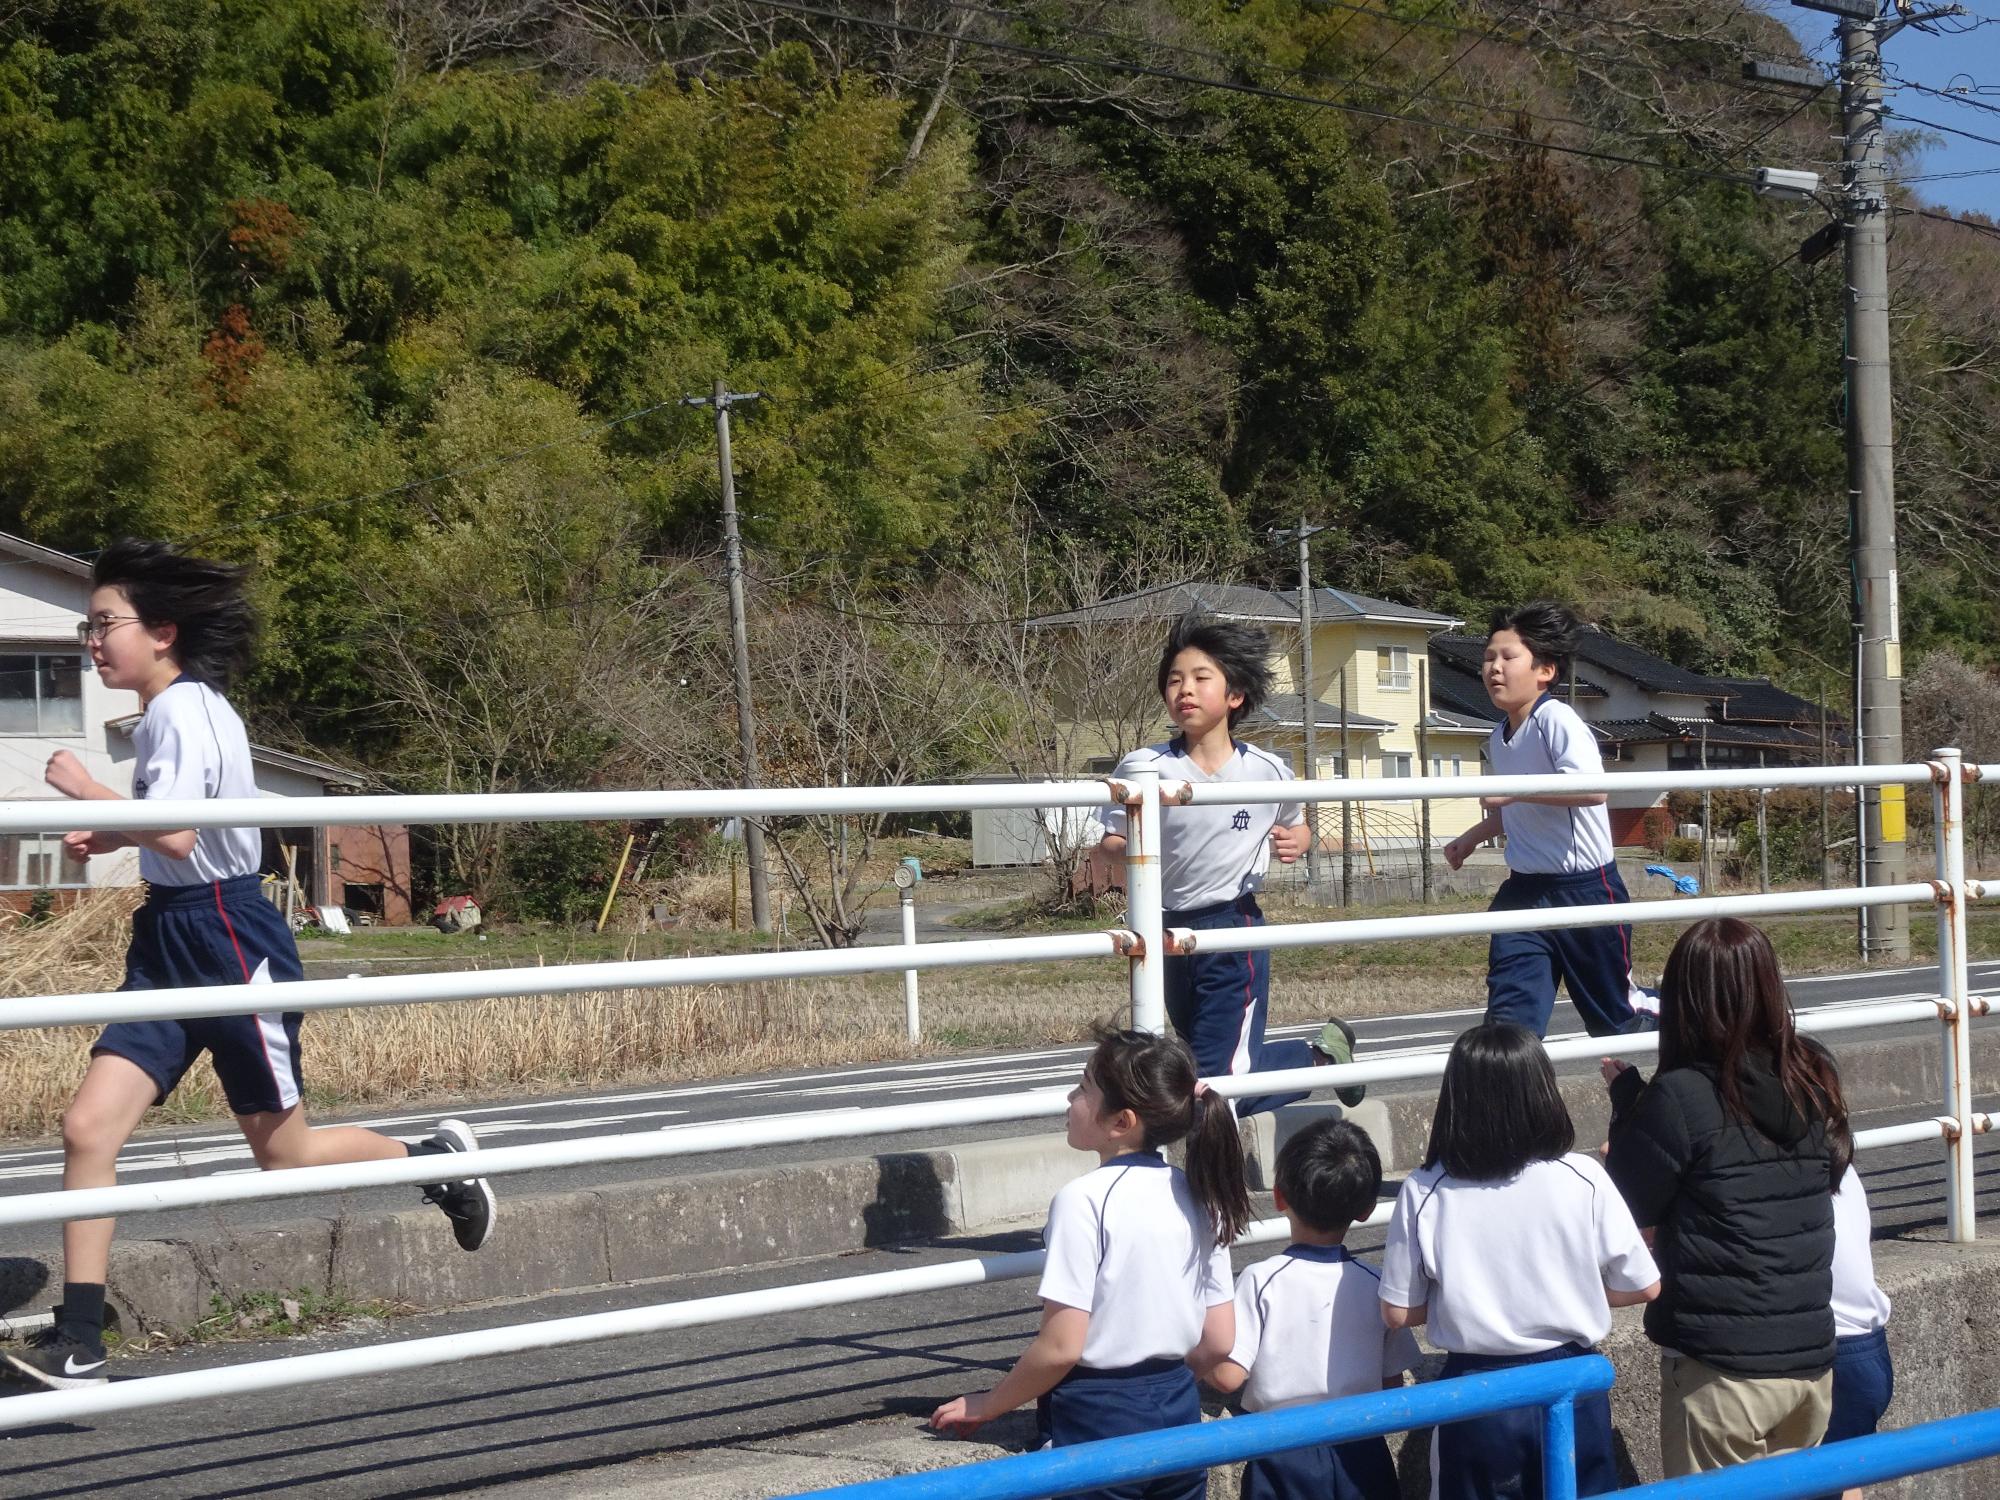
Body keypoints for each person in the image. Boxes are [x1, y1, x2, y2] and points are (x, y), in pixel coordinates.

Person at [5, 539, 495, 1392]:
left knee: (286, 1155)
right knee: (89, 1128)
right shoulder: (171, 712)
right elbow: (176, 828)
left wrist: (86, 790)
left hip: (229, 936)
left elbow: (185, 834)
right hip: (168, 935)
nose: (92, 641)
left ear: (163, 632)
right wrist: (111, 831)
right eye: (87, 626)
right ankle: (81, 1337)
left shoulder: (186, 709)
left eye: (103, 624)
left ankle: (435, 1160)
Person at [931, 1029, 1250, 1500]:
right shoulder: (1200, 1195)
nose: (1070, 1096)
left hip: (1098, 1415)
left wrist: (989, 1404)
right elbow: (1220, 1339)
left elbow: (1061, 1347)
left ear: (1121, 1121)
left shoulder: (1083, 1201)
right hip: (1179, 1411)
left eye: (1083, 1088)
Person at [1090, 614, 1363, 1115]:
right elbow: (1107, 844)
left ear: (1235, 695)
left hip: (1233, 928)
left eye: (1199, 678)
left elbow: (1299, 825)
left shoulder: (1267, 770)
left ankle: (1211, 1190)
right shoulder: (1144, 766)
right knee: (1196, 1070)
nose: (1184, 690)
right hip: (1164, 930)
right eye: (1174, 680)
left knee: (1212, 1088)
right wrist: (1117, 850)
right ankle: (1321, 1059)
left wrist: (1296, 842)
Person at [1380, 1023, 1659, 1499]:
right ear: (1542, 1091)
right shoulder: (1583, 1176)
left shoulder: (1426, 1188)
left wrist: (1463, 1299)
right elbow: (1645, 1285)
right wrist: (1576, 1290)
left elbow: (1398, 1311)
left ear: (1456, 1098)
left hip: (1476, 1393)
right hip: (1573, 1383)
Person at [1602, 917, 1838, 1477]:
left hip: (1722, 1368)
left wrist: (1629, 1102)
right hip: (1811, 1367)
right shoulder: (1807, 1078)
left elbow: (1631, 1205)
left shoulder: (1681, 1097)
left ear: (1685, 1000)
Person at [1443, 602, 1646, 1038]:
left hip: (1585, 890)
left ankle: (1703, 1030)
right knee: (1510, 1025)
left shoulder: (1557, 718)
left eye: (1507, 658)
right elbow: (1522, 807)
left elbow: (1591, 789)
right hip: (1525, 891)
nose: (1493, 668)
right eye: (1487, 659)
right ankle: (1508, 1096)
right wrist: (1473, 837)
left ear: (1545, 671)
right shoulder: (1499, 736)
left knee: (1617, 1019)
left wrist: (1514, 791)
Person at [1202, 1118, 1416, 1500]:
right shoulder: (1375, 1283)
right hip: (1362, 1449)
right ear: (1367, 1209)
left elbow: (1229, 1377)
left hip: (1281, 1452)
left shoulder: (1260, 1278)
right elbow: (1391, 1381)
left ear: (1280, 1196)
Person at [1800, 1040, 1892, 1500]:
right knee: (1841, 1482)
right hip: (1870, 1352)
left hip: (1833, 1356)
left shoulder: (1794, 1175)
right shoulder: (1842, 1168)